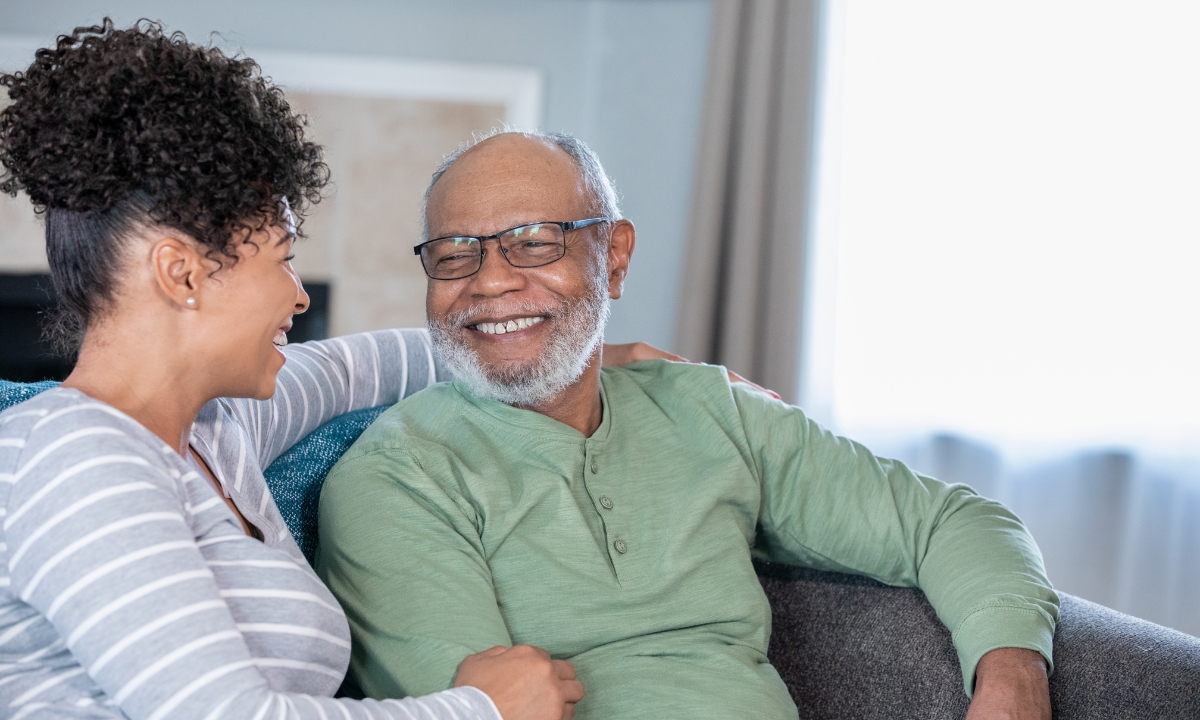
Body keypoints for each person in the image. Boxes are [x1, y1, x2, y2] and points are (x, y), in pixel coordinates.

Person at [0, 21, 704, 719]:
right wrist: (479, 710)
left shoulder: (215, 432)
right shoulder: (78, 456)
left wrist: (569, 348)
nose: (299, 295)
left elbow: (358, 367)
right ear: (181, 273)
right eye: (281, 259)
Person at [316, 129, 1061, 720]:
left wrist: (1012, 676)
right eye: (454, 254)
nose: (491, 280)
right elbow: (476, 715)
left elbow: (953, 524)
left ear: (614, 256)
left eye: (535, 241)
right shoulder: (396, 477)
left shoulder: (712, 410)